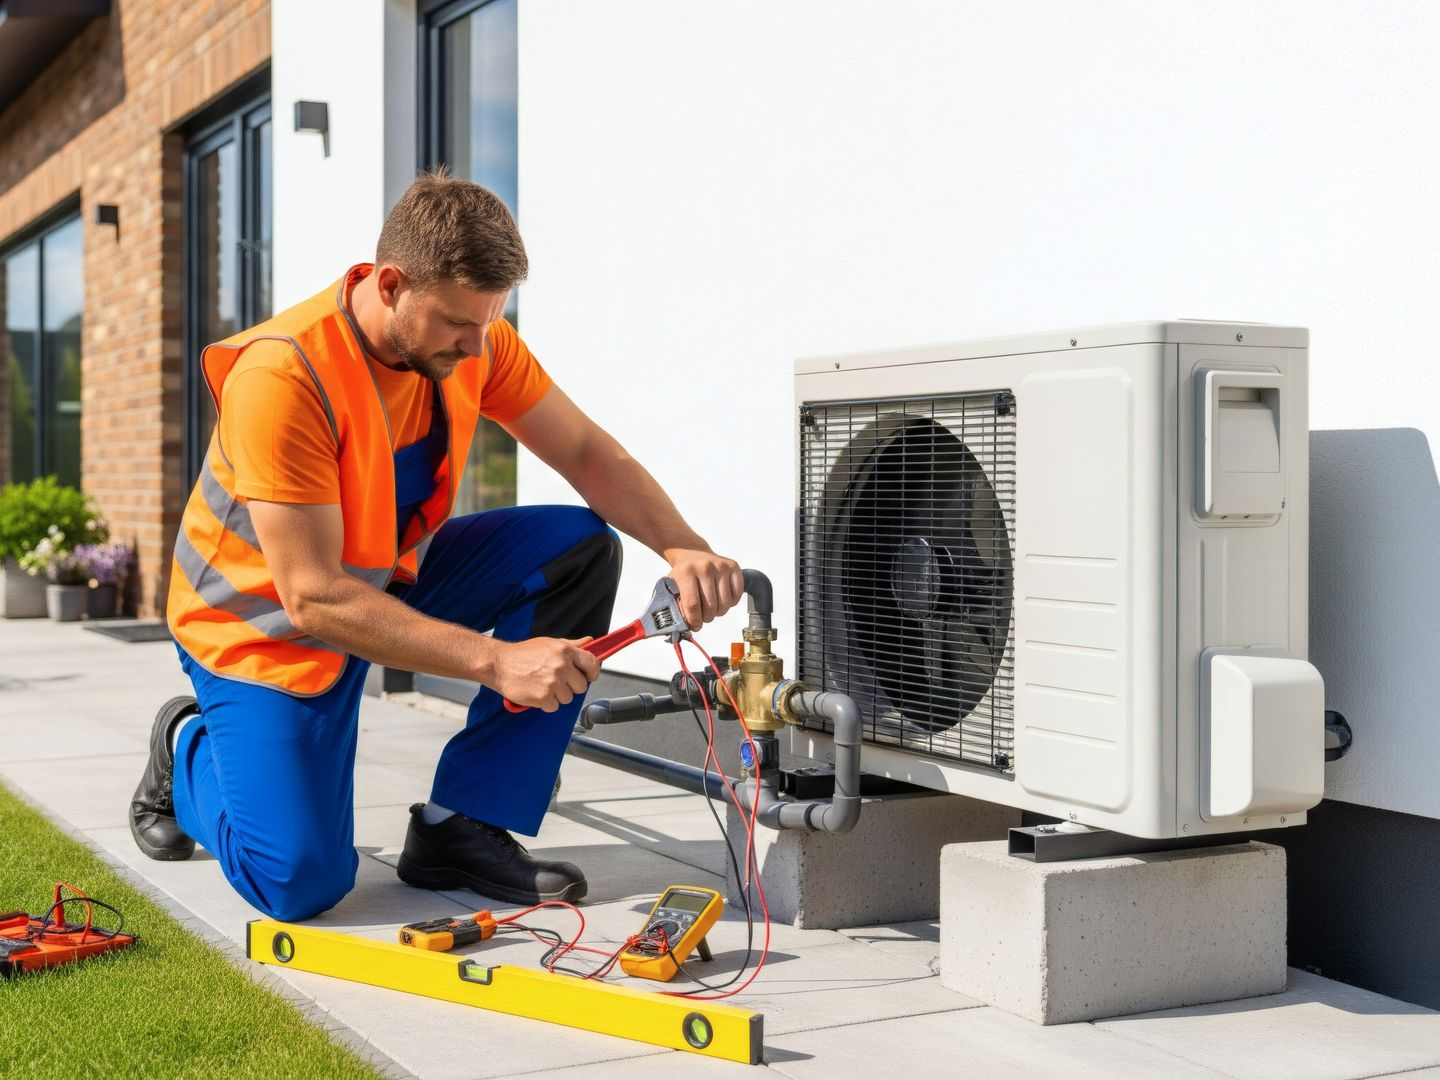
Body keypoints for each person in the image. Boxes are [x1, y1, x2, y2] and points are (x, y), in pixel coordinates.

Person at [128, 172, 743, 921]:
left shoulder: (470, 342)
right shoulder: (281, 376)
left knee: (578, 546)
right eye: (459, 322)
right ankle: (188, 743)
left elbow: (585, 452)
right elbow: (314, 596)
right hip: (263, 629)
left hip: (381, 585)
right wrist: (495, 660)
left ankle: (461, 825)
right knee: (299, 880)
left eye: (489, 321)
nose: (478, 345)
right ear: (391, 284)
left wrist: (681, 545)